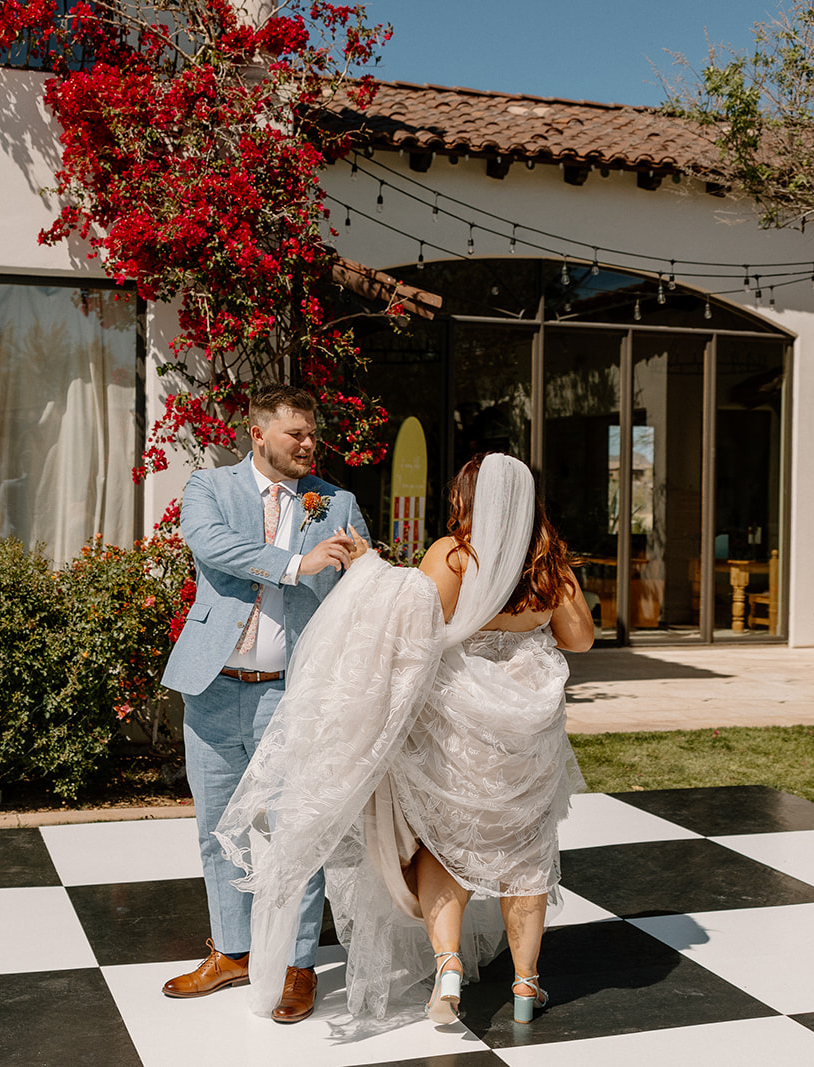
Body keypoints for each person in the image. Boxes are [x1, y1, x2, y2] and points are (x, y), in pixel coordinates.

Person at [216, 452, 594, 1024]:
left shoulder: (454, 554)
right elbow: (581, 639)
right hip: (525, 739)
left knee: (442, 843)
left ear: (471, 499)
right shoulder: (550, 568)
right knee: (525, 856)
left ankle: (447, 968)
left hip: (460, 733)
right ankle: (524, 986)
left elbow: (414, 625)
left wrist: (369, 569)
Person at [158, 383, 368, 1025]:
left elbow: (362, 584)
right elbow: (212, 548)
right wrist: (297, 562)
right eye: (295, 435)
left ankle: (300, 965)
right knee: (216, 828)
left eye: (312, 434)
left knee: (293, 833)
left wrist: (360, 567)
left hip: (290, 692)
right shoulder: (209, 489)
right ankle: (234, 952)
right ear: (258, 433)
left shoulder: (339, 502)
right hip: (213, 687)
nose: (308, 445)